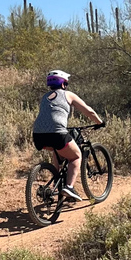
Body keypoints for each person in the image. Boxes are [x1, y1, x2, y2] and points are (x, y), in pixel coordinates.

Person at [32, 70, 104, 202]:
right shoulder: (68, 94)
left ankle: (56, 183)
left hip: (38, 135)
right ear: (64, 84)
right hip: (57, 132)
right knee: (76, 156)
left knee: (57, 149)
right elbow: (88, 110)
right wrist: (99, 122)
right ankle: (69, 187)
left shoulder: (45, 97)